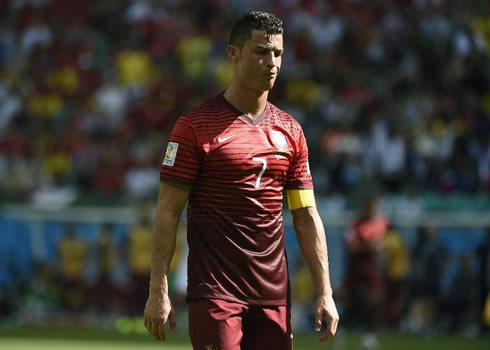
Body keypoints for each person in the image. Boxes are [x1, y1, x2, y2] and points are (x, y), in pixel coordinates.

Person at [143, 11, 339, 349]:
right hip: (215, 294)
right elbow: (168, 210)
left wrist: (325, 291)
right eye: (261, 52)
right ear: (234, 53)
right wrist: (158, 288)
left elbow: (305, 215)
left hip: (274, 296)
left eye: (277, 53)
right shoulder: (195, 126)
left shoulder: (290, 131)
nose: (271, 62)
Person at [343, 196, 387, 349]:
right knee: (350, 300)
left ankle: (369, 335)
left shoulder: (381, 222)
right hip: (356, 265)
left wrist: (373, 246)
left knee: (374, 300)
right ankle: (340, 331)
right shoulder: (356, 224)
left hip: (372, 265)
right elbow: (350, 246)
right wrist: (367, 246)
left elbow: (381, 244)